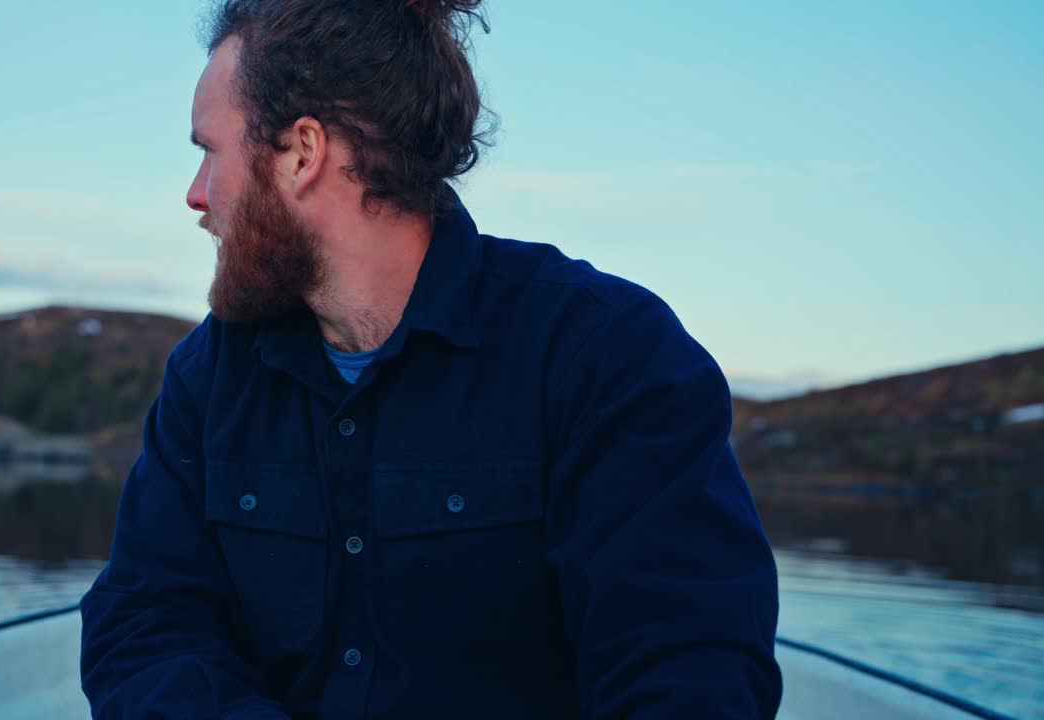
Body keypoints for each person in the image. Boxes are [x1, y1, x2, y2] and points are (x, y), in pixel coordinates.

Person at [79, 0, 782, 717]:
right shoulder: (210, 376)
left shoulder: (607, 354)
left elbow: (691, 670)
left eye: (209, 151)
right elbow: (143, 626)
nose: (196, 195)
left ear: (301, 152)